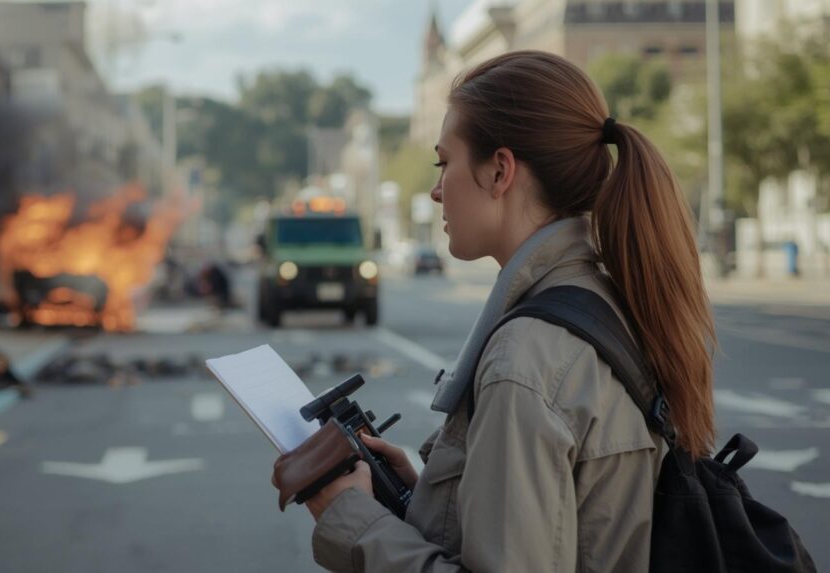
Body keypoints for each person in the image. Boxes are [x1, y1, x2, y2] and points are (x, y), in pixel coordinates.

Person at [291, 51, 716, 572]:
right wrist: (427, 497)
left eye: (443, 162)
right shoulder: (607, 298)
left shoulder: (526, 359)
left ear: (499, 171)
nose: (436, 189)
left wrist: (355, 523)